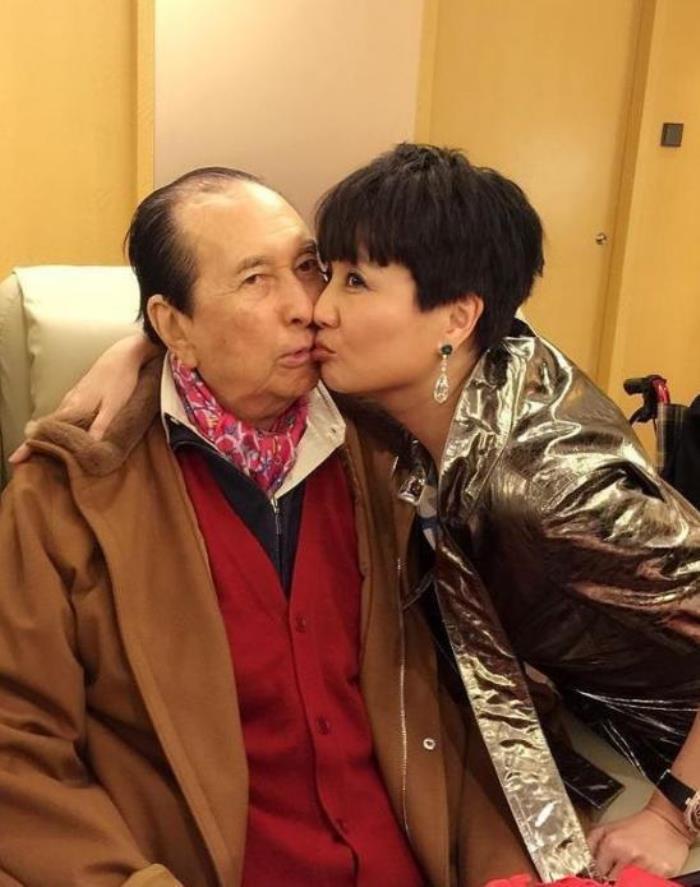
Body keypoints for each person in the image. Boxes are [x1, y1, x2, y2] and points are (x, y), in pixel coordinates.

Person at [10, 145, 700, 881]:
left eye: (311, 269)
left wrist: (667, 812)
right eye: (257, 279)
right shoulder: (69, 495)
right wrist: (139, 351)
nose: (310, 307)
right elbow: (18, 742)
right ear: (172, 325)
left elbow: (455, 700)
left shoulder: (415, 450)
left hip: (591, 779)